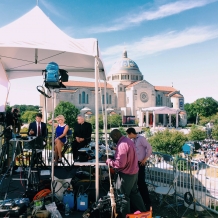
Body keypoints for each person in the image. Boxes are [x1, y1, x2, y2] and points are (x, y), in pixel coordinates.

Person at [106, 129, 146, 218]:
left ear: (116, 136)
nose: (112, 140)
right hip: (134, 172)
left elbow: (120, 164)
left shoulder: (122, 145)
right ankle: (143, 213)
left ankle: (125, 216)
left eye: (112, 138)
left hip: (126, 175)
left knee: (123, 197)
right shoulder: (128, 141)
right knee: (134, 193)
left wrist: (109, 161)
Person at [126, 127, 152, 211]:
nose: (128, 136)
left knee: (141, 182)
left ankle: (147, 201)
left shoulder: (141, 138)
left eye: (128, 134)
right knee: (137, 182)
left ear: (131, 133)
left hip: (140, 162)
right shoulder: (133, 140)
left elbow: (149, 148)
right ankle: (140, 201)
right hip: (135, 163)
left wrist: (145, 159)